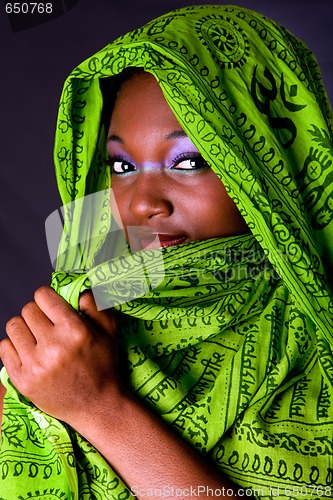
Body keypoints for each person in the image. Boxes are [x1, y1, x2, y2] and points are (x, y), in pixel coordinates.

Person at [0, 4, 332, 499]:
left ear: (270, 158)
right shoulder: (76, 324)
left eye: (189, 160)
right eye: (121, 166)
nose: (142, 203)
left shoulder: (316, 339)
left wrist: (100, 409)